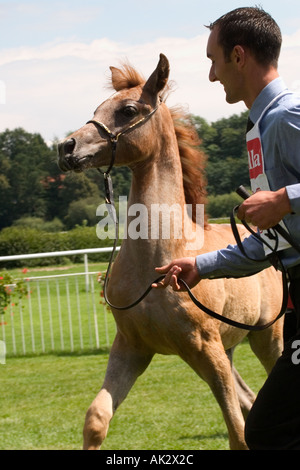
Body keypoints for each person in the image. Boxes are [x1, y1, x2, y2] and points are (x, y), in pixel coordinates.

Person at [153, 7, 300, 450]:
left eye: (213, 60)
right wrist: (202, 265)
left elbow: (282, 213)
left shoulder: (287, 116)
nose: (212, 75)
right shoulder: (260, 127)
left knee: (268, 430)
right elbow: (273, 242)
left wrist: (284, 199)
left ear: (239, 56)